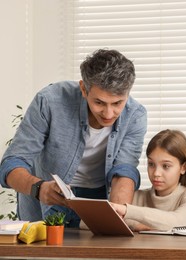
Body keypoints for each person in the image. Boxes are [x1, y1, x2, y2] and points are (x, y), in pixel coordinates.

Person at [0, 49, 147, 227]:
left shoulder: (135, 116)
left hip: (98, 199)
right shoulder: (50, 101)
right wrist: (39, 189)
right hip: (44, 196)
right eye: (99, 102)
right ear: (84, 89)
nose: (109, 113)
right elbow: (11, 164)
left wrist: (117, 216)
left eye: (117, 103)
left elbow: (124, 171)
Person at [111, 129, 186, 231]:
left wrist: (127, 211)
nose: (156, 173)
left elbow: (177, 223)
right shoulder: (136, 197)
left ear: (183, 168)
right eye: (151, 164)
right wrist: (138, 225)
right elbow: (111, 220)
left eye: (166, 166)